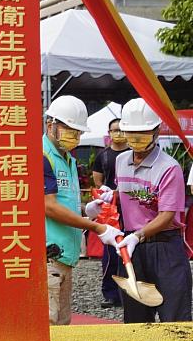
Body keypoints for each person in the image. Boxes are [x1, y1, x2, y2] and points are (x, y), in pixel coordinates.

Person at [43, 95, 122, 326]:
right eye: (69, 130)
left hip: (63, 257)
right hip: (47, 256)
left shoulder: (65, 157)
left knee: (62, 324)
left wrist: (87, 210)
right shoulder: (43, 155)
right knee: (48, 325)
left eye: (78, 132)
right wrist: (95, 226)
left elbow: (62, 201)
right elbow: (48, 205)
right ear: (51, 125)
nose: (75, 137)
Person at [111, 98, 191, 322]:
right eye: (131, 134)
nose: (136, 140)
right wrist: (110, 196)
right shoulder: (120, 161)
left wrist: (139, 235)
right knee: (135, 315)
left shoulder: (169, 167)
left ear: (156, 131)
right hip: (131, 247)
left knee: (174, 314)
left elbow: (167, 215)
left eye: (143, 133)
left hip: (164, 247)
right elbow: (126, 192)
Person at [90, 117, 128, 308]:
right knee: (110, 251)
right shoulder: (103, 156)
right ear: (109, 133)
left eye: (121, 130)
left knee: (130, 248)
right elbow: (98, 180)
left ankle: (128, 292)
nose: (118, 133)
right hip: (109, 210)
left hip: (130, 208)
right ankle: (110, 293)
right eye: (114, 130)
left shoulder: (133, 154)